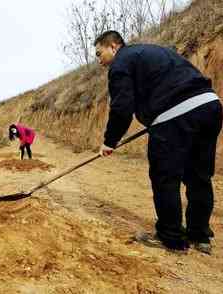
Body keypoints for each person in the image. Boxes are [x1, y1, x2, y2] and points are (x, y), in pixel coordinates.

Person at [94, 30, 222, 254]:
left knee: (166, 177)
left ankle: (171, 238)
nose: (99, 61)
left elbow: (122, 108)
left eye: (99, 53)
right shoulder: (155, 52)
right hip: (210, 106)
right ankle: (199, 236)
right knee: (199, 177)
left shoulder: (121, 62)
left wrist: (110, 141)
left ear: (113, 46)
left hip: (176, 115)